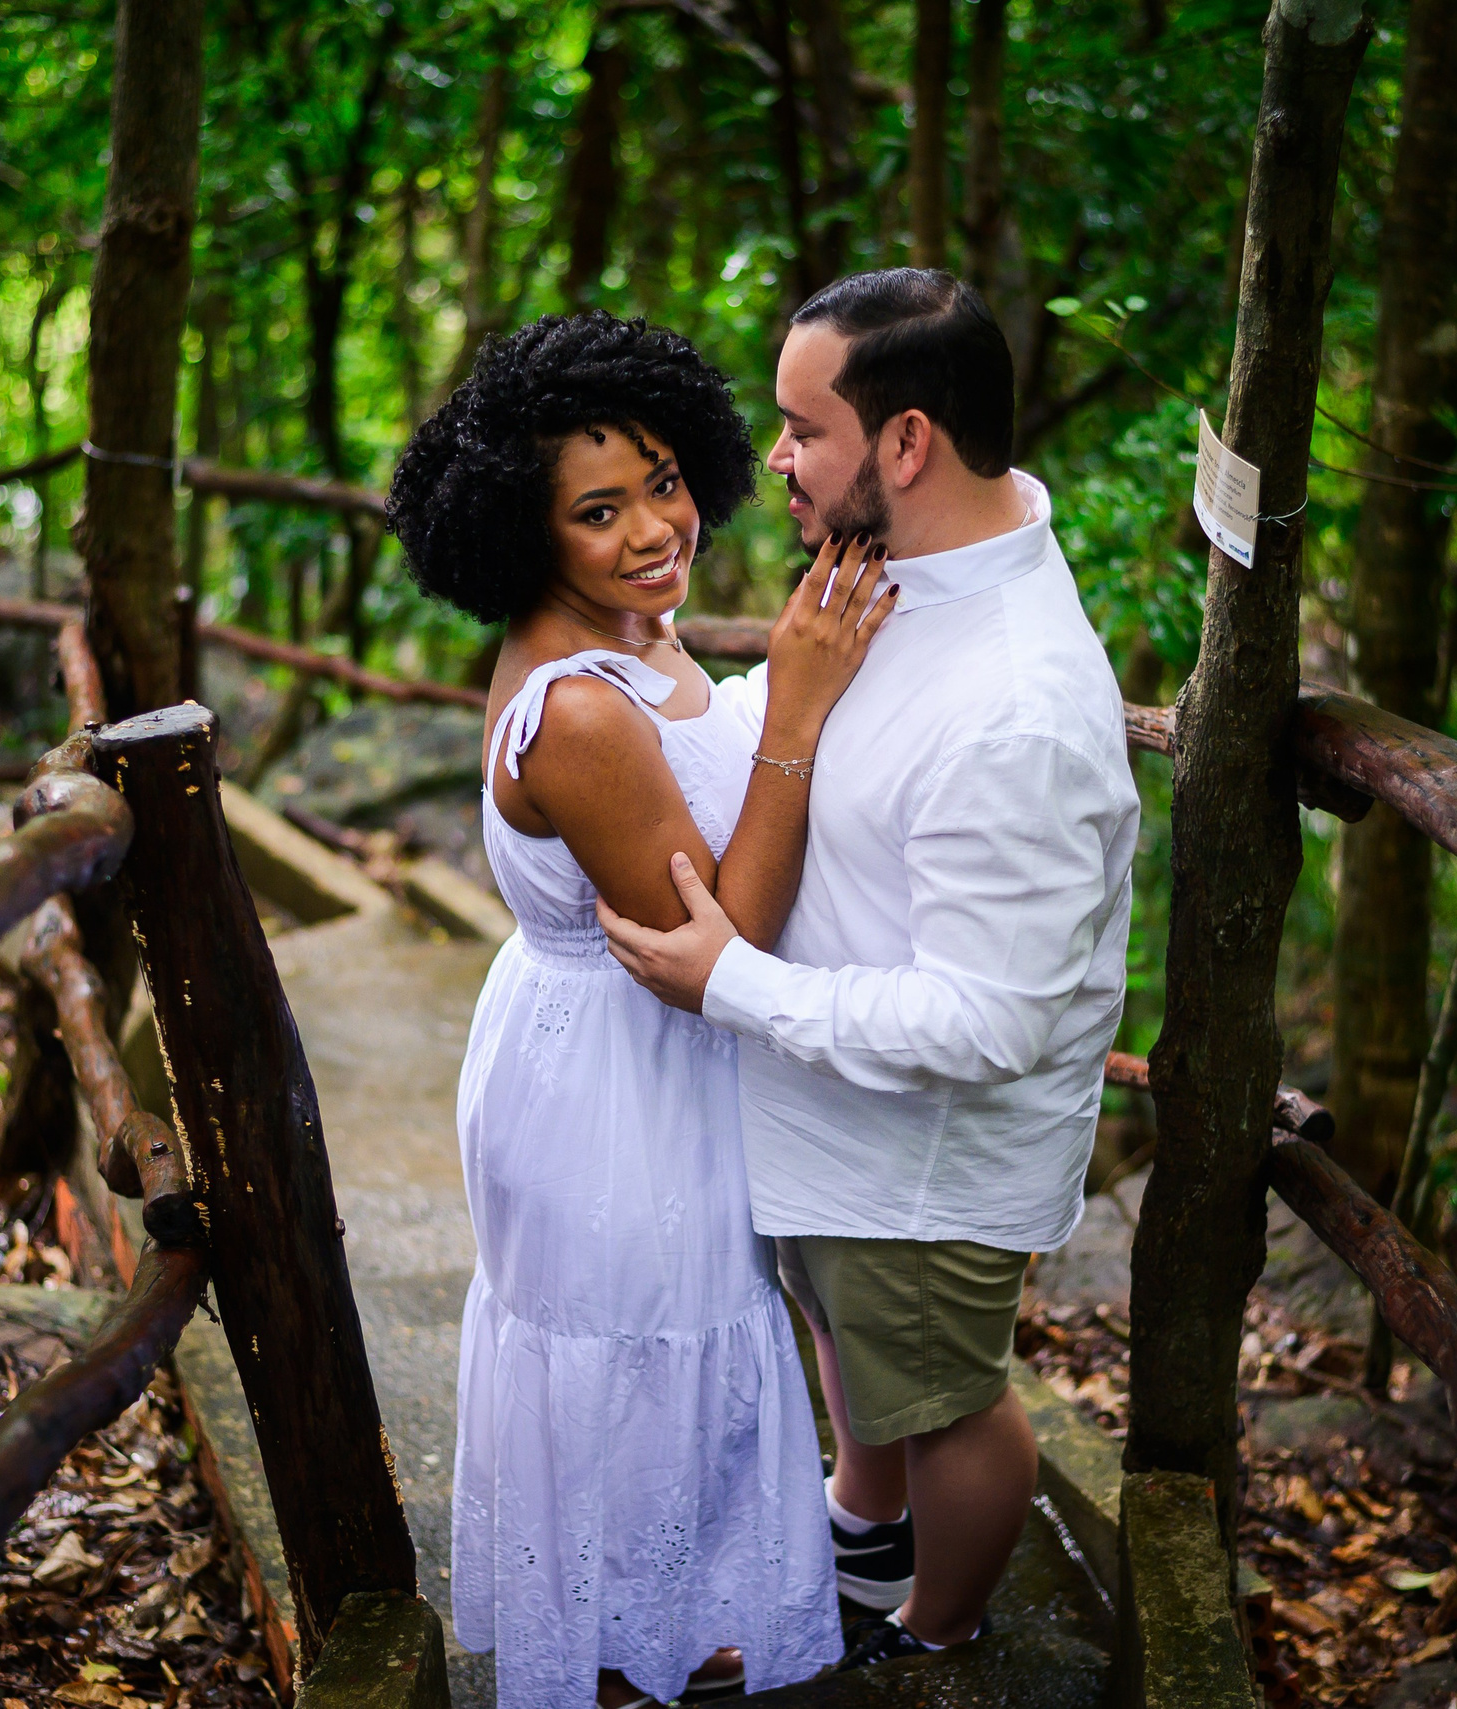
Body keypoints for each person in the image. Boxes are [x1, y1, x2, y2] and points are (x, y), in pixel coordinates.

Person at [600, 269, 1142, 1668]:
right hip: (835, 1110)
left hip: (920, 1152)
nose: (775, 460)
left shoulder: (1016, 709)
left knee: (950, 1400)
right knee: (855, 1350)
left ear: (906, 445)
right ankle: (862, 1526)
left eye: (803, 429)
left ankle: (937, 1627)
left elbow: (994, 1019)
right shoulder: (917, 561)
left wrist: (733, 979)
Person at [387, 309, 898, 1708]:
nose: (653, 527)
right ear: (524, 531)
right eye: (597, 510)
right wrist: (794, 706)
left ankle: (681, 1619)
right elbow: (714, 936)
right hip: (621, 1074)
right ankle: (626, 1653)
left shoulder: (633, 637)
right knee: (637, 1344)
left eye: (666, 481)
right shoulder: (581, 714)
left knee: (683, 1337)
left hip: (631, 1049)